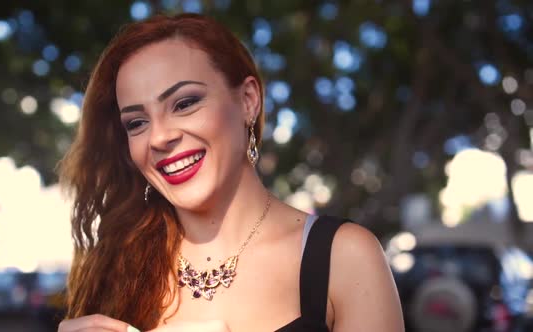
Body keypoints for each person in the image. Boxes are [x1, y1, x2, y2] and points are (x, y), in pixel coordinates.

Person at [57, 13, 404, 332]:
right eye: (137, 122)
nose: (159, 137)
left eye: (185, 103)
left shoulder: (345, 257)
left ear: (248, 100)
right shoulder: (118, 267)